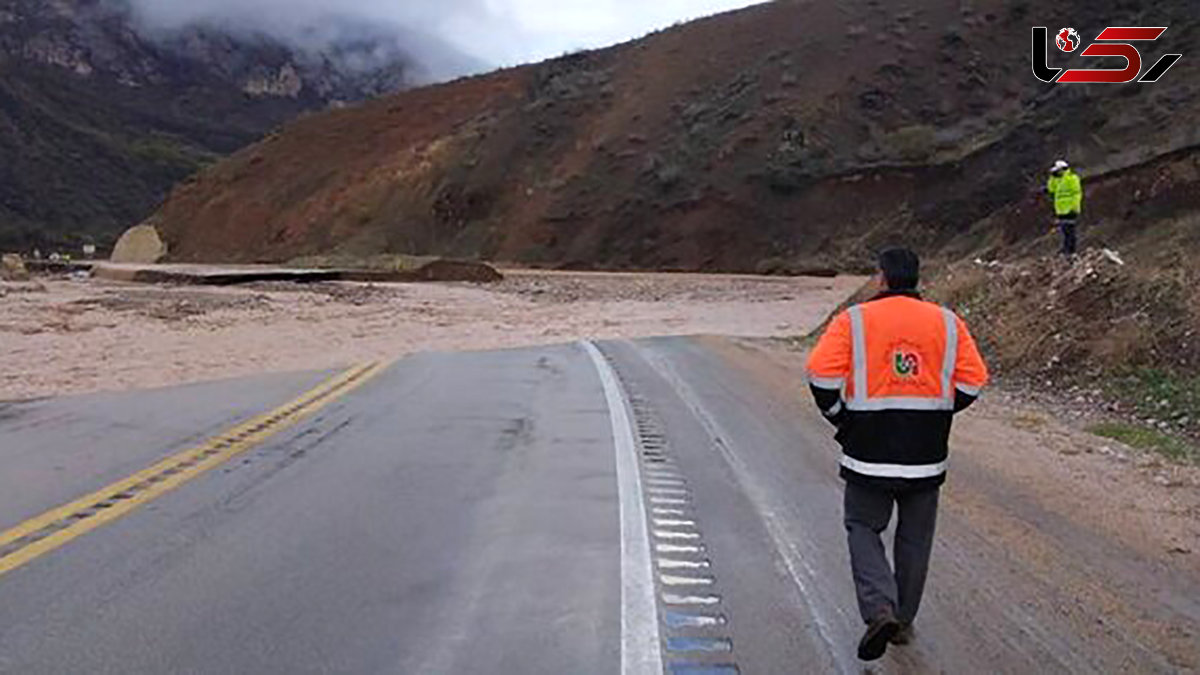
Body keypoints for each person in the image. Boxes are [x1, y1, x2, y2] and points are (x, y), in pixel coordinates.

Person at [805, 248, 989, 661]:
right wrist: (939, 412)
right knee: (915, 538)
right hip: (926, 454)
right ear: (916, 278)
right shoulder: (947, 322)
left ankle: (879, 608)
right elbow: (974, 381)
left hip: (867, 451)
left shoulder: (853, 321)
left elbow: (820, 373)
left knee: (863, 527)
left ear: (882, 278)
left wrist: (842, 418)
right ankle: (902, 622)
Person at [1047, 159, 1083, 256]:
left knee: (1070, 230)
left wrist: (1074, 207)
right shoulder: (1057, 180)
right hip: (1061, 210)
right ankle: (1066, 248)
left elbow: (1076, 193)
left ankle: (1071, 250)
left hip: (1070, 209)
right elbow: (1051, 189)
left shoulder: (1072, 178)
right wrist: (1052, 177)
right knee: (1064, 231)